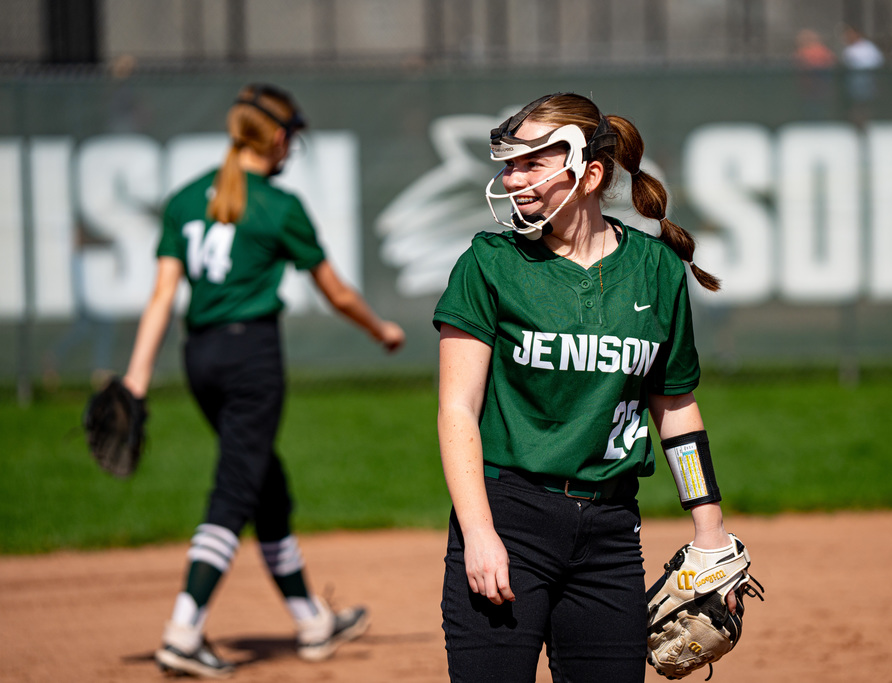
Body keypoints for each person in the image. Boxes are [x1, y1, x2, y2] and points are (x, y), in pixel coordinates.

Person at [433, 92, 739, 683]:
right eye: (509, 165)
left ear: (590, 174)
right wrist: (479, 533)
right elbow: (457, 410)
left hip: (610, 533)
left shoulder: (655, 269)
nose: (512, 179)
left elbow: (675, 405)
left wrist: (710, 530)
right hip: (509, 521)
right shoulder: (489, 264)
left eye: (531, 163)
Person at [122, 83, 405, 678]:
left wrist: (136, 380)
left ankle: (311, 621)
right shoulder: (279, 206)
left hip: (199, 358)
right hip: (251, 358)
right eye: (291, 136)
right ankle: (182, 631)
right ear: (277, 138)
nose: (292, 146)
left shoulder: (184, 199)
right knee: (234, 490)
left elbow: (161, 297)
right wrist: (381, 329)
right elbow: (336, 292)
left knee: (265, 486)